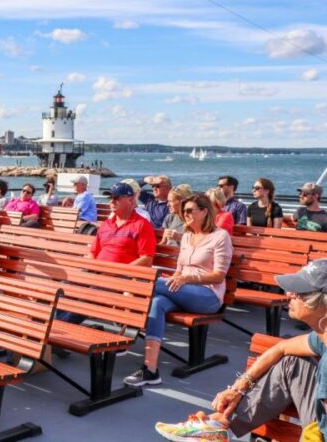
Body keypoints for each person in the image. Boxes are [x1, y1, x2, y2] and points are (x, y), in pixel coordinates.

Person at [154, 258, 327, 442]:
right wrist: (239, 388)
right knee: (292, 363)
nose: (289, 293)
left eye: (300, 292)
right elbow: (282, 348)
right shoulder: (322, 336)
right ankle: (217, 427)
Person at [124, 194, 233, 388]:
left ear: (205, 211)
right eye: (184, 211)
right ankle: (150, 370)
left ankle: (126, 292)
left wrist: (186, 279)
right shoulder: (188, 236)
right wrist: (178, 278)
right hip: (182, 289)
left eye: (190, 210)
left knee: (150, 284)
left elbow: (219, 275)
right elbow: (180, 269)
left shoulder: (220, 236)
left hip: (208, 295)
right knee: (156, 303)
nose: (186, 214)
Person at [57, 182, 157, 324]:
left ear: (130, 200)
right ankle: (53, 326)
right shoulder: (106, 225)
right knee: (64, 286)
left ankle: (57, 328)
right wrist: (94, 269)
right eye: (110, 198)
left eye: (116, 198)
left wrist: (115, 271)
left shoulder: (141, 225)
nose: (112, 201)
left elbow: (147, 260)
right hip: (97, 274)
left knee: (90, 295)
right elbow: (93, 252)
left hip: (121, 279)